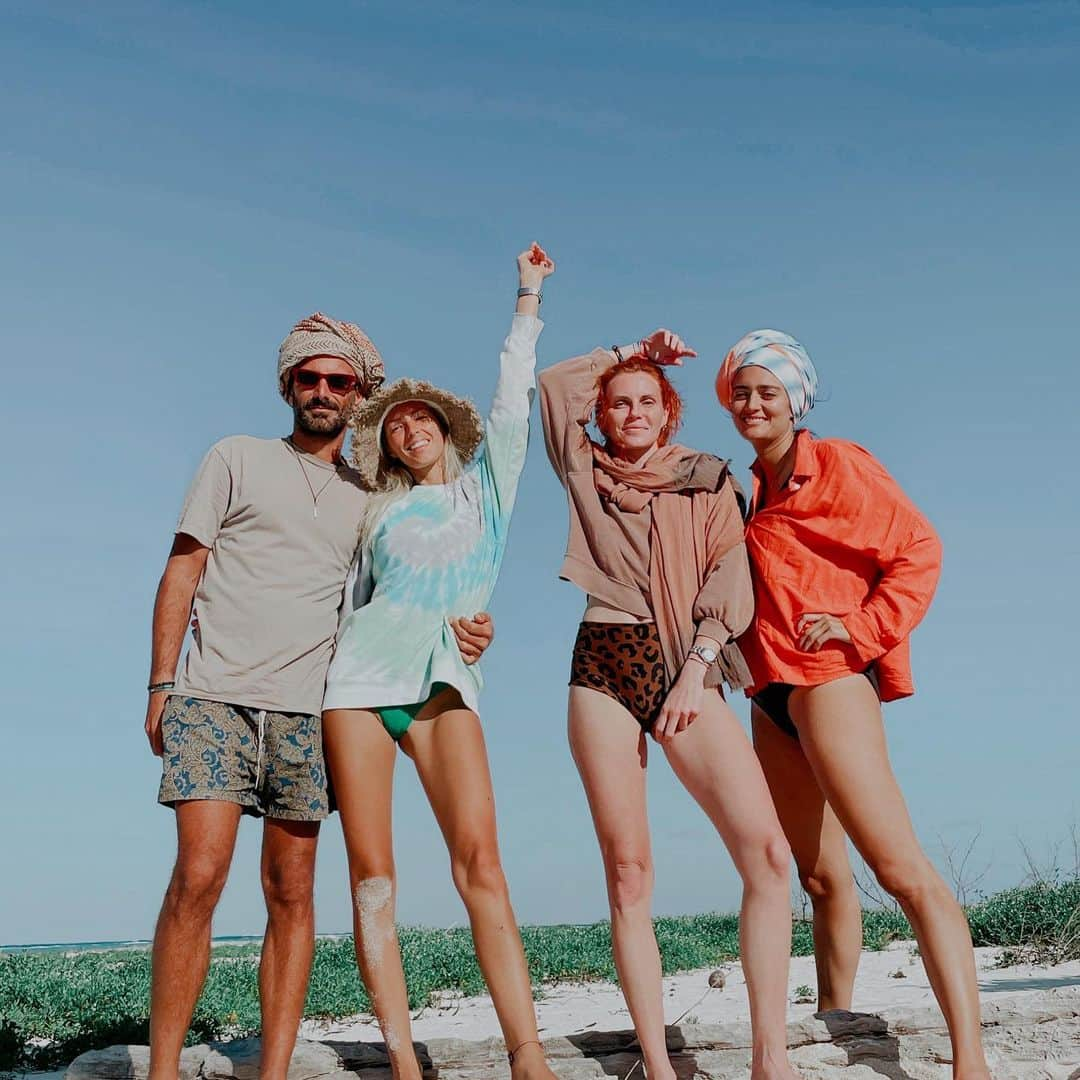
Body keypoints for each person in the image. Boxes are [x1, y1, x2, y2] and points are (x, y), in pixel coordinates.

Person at [144, 312, 493, 1080]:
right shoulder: (233, 458)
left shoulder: (373, 494)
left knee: (292, 890)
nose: (323, 391)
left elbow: (411, 578)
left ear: (360, 394)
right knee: (200, 875)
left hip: (311, 707)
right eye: (310, 378)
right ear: (288, 384)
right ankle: (162, 1071)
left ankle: (272, 1072)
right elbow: (183, 571)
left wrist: (466, 628)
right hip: (213, 695)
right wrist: (161, 681)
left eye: (339, 381)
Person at [716, 329, 991, 1079]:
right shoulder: (745, 490)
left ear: (795, 398)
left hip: (830, 675)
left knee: (899, 869)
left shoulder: (838, 463)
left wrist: (864, 628)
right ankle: (836, 1028)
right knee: (817, 878)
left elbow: (919, 548)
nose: (752, 403)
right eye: (740, 391)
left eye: (767, 390)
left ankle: (972, 1059)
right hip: (766, 689)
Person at [321, 244, 559, 1080]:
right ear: (385, 444)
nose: (411, 427)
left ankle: (527, 1054)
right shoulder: (372, 508)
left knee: (479, 864)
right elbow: (344, 597)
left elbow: (512, 403)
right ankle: (402, 1062)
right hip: (354, 685)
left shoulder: (485, 490)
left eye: (422, 417)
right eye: (396, 423)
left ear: (444, 429)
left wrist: (525, 300)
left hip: (443, 681)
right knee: (373, 878)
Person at [538, 330, 803, 1080]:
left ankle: (769, 1059)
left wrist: (695, 671)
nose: (631, 412)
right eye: (618, 402)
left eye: (646, 400)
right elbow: (553, 387)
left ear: (669, 413)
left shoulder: (708, 477)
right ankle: (657, 1062)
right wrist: (626, 349)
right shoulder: (582, 467)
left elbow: (729, 573)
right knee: (628, 871)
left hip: (687, 662)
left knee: (768, 854)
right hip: (603, 662)